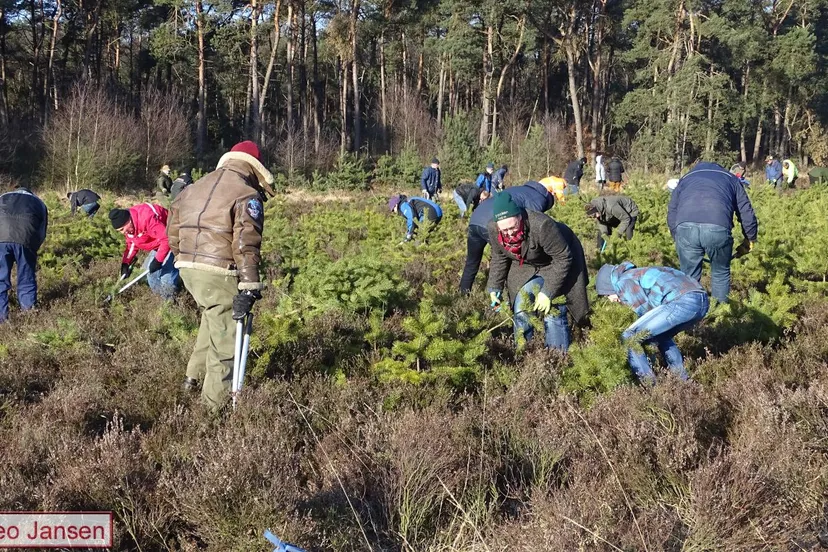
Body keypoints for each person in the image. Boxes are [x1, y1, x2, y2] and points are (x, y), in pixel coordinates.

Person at [168, 140, 275, 409]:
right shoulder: (245, 194)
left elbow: (173, 228)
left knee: (211, 319)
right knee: (227, 343)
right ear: (253, 168)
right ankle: (212, 411)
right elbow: (245, 243)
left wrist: (183, 259)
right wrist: (250, 285)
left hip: (188, 269)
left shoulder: (194, 187)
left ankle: (192, 379)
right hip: (219, 270)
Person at [486, 193, 589, 351]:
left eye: (512, 227)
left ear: (520, 217)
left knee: (553, 308)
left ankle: (557, 356)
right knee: (522, 303)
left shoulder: (541, 225)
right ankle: (524, 352)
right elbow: (499, 257)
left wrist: (547, 292)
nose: (510, 233)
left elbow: (563, 258)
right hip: (527, 262)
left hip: (560, 259)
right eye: (504, 230)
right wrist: (494, 288)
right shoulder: (494, 229)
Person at [595, 262, 709, 383]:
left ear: (609, 285)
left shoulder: (623, 281)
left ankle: (649, 386)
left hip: (683, 301)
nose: (611, 300)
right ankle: (682, 382)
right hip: (701, 300)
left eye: (607, 295)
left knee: (630, 337)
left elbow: (645, 311)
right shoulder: (636, 273)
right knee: (662, 335)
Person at [667, 161, 758, 303]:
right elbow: (746, 212)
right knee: (720, 274)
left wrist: (676, 236)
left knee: (689, 277)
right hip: (718, 228)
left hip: (685, 228)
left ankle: (689, 317)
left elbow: (672, 211)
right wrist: (750, 238)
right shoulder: (731, 179)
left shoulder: (686, 178)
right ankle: (720, 316)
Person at [459, 180, 555, 293]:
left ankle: (463, 293)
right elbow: (533, 223)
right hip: (494, 223)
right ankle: (504, 296)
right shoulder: (540, 200)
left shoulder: (520, 189)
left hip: (475, 219)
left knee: (472, 262)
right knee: (506, 258)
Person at [110, 204, 181, 300]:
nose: (122, 233)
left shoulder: (147, 217)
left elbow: (166, 239)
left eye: (122, 229)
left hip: (174, 240)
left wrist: (158, 260)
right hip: (158, 243)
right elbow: (132, 244)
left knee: (166, 278)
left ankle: (170, 304)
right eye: (119, 231)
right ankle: (160, 300)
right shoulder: (129, 228)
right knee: (151, 275)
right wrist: (126, 263)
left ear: (128, 221)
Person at [0, 186, 47, 322]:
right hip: (26, 237)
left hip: (0, 237)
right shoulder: (38, 202)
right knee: (26, 277)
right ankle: (28, 315)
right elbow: (42, 232)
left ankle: (2, 319)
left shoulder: (3, 197)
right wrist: (32, 249)